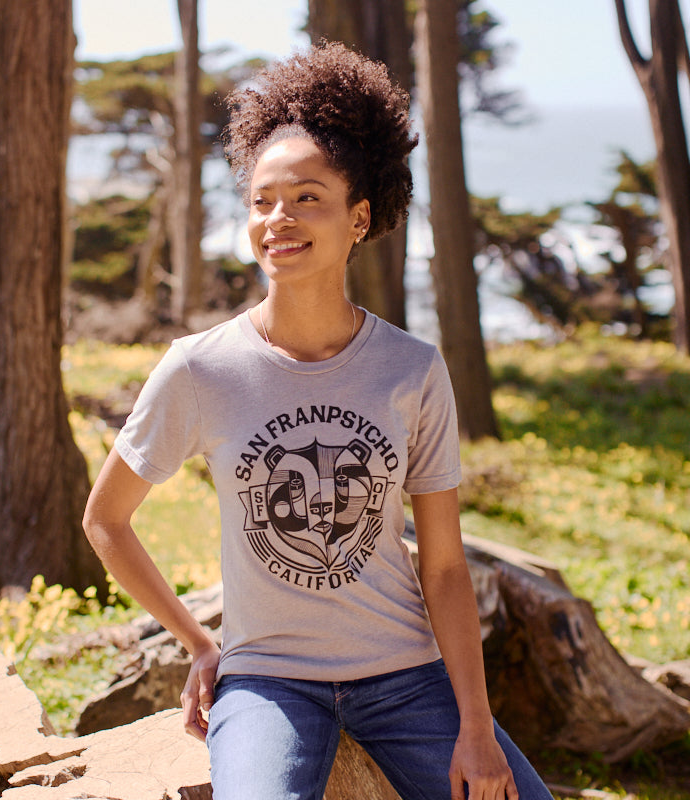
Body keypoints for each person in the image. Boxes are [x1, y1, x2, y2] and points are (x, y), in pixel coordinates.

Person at [83, 41, 553, 800]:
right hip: (268, 683)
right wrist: (201, 645)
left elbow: (443, 566)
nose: (280, 219)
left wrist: (474, 723)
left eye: (307, 197)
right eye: (263, 200)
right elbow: (106, 520)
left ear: (359, 217)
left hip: (407, 677)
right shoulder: (199, 368)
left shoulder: (412, 370)